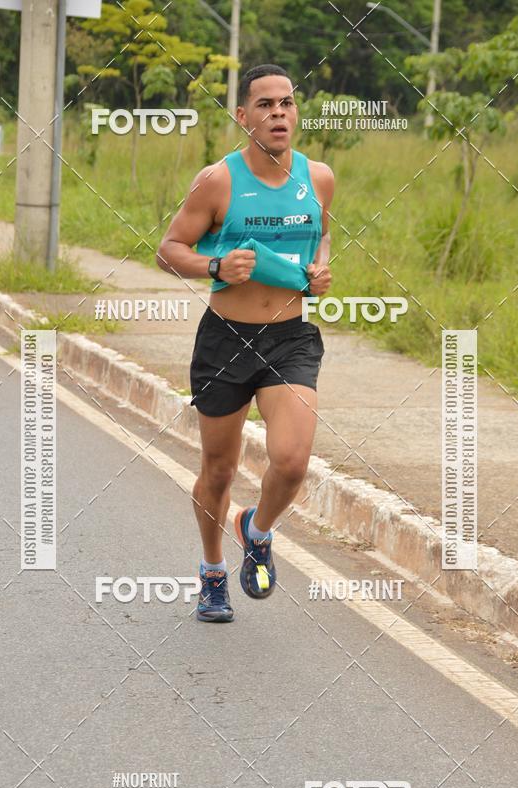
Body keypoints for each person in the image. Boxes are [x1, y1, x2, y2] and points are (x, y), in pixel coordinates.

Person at [157, 63, 334, 622]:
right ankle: (212, 573)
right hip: (225, 339)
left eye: (286, 103)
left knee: (292, 459)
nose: (278, 112)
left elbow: (322, 232)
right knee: (219, 471)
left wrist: (320, 269)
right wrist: (215, 263)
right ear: (243, 117)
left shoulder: (320, 177)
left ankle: (256, 531)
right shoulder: (219, 181)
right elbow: (167, 249)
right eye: (265, 104)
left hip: (290, 338)